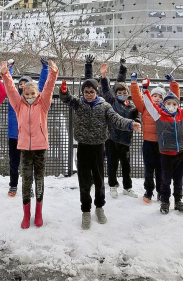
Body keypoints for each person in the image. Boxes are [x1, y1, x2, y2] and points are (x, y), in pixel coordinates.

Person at [59, 78, 141, 230]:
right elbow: (67, 99)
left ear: (96, 92)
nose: (89, 94)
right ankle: (85, 210)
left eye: (91, 92)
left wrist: (130, 124)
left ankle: (99, 207)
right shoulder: (79, 104)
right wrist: (64, 91)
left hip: (98, 147)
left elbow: (116, 119)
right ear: (83, 93)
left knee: (99, 180)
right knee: (84, 181)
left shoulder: (104, 106)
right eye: (86, 92)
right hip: (83, 147)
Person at [1, 59, 59, 229]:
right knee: (26, 181)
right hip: (25, 148)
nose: (30, 96)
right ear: (23, 95)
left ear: (37, 94)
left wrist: (53, 73)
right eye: (27, 94)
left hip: (40, 148)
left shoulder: (43, 104)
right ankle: (26, 215)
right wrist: (5, 74)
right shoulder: (18, 105)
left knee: (39, 180)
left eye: (33, 94)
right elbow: (11, 90)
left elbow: (48, 88)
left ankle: (38, 214)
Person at [142, 78, 183, 215]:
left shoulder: (182, 115)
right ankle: (164, 201)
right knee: (165, 179)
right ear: (164, 104)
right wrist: (145, 90)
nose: (171, 105)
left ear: (177, 105)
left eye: (174, 103)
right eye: (168, 103)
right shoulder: (159, 115)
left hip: (180, 152)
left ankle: (178, 200)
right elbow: (149, 104)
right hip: (166, 153)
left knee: (178, 179)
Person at [130, 73, 180, 203]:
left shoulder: (166, 109)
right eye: (154, 95)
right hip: (148, 143)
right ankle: (149, 190)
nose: (157, 98)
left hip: (162, 144)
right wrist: (134, 83)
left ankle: (160, 191)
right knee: (148, 169)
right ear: (150, 97)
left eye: (160, 96)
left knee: (161, 170)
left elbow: (175, 98)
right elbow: (136, 97)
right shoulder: (145, 107)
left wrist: (173, 83)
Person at [7, 58, 49, 197]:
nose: (23, 85)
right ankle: (13, 185)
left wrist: (45, 69)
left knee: (29, 167)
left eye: (26, 84)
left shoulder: (36, 102)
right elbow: (9, 84)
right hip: (14, 135)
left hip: (30, 138)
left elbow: (42, 86)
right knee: (14, 162)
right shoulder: (15, 102)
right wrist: (9, 68)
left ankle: (29, 187)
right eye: (21, 84)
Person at [99, 60, 140, 199]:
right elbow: (105, 90)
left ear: (127, 93)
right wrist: (104, 77)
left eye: (124, 91)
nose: (122, 93)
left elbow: (136, 116)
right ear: (116, 94)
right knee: (112, 164)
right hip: (112, 138)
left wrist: (137, 123)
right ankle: (112, 185)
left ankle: (128, 187)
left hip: (126, 140)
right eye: (119, 92)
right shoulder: (112, 102)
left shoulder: (131, 106)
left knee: (126, 166)